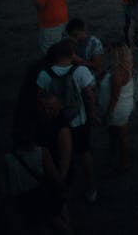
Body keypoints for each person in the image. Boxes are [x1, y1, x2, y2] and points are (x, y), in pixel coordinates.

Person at [37, 37, 99, 202]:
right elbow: (89, 95)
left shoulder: (45, 74)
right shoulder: (80, 71)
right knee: (84, 152)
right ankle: (91, 187)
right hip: (78, 119)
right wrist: (92, 114)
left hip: (56, 122)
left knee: (58, 154)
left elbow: (39, 98)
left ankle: (61, 184)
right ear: (71, 55)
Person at [103, 42, 136, 173]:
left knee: (120, 136)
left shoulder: (117, 73)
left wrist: (108, 112)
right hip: (125, 103)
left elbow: (114, 97)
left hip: (118, 108)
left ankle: (123, 161)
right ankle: (120, 159)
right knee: (120, 135)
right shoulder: (126, 67)